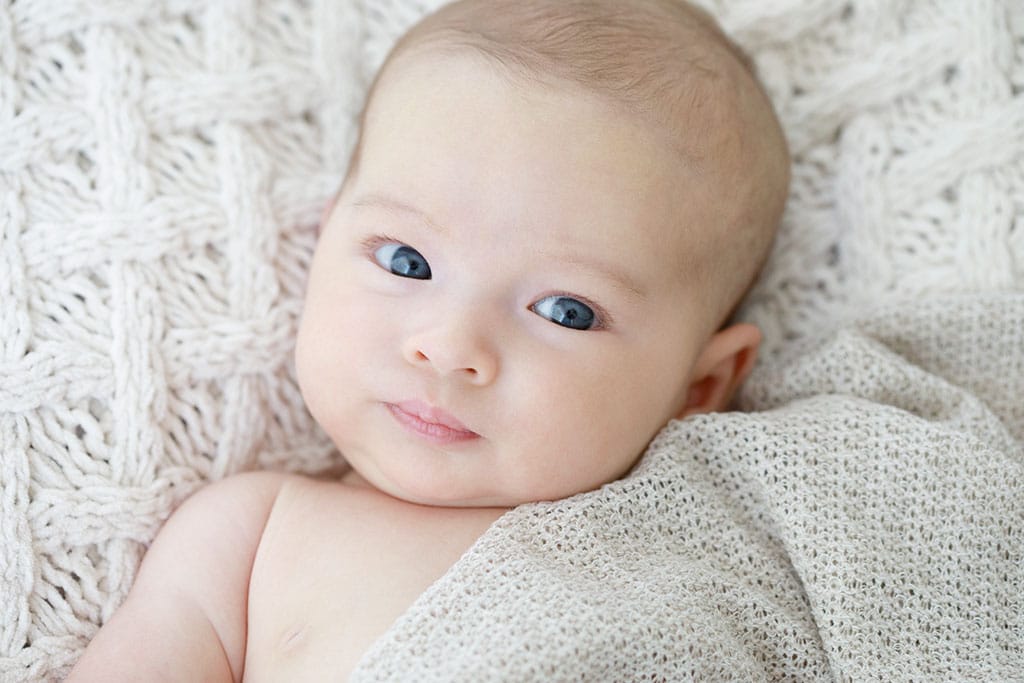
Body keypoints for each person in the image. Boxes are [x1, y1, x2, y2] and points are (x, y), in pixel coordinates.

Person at [67, 0, 790, 679]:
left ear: (700, 389)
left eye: (565, 310)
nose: (448, 346)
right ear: (325, 243)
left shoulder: (707, 543)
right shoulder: (248, 536)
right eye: (406, 262)